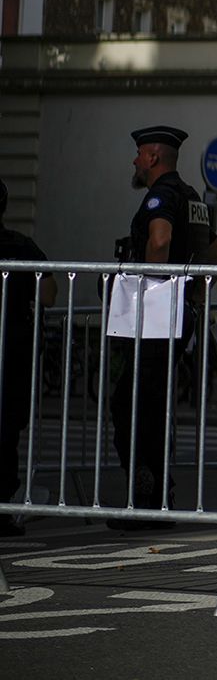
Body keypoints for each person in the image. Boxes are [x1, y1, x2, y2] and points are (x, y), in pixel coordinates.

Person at [109, 126, 217, 531]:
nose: (135, 162)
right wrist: (193, 293)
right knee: (151, 404)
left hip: (156, 315)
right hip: (179, 315)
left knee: (133, 405)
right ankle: (157, 493)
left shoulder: (161, 197)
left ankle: (146, 499)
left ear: (154, 157)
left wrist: (148, 287)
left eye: (140, 155)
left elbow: (158, 241)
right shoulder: (193, 198)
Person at [1, 181, 55, 536]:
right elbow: (49, 293)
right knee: (6, 432)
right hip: (11, 352)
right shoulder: (20, 244)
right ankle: (2, 508)